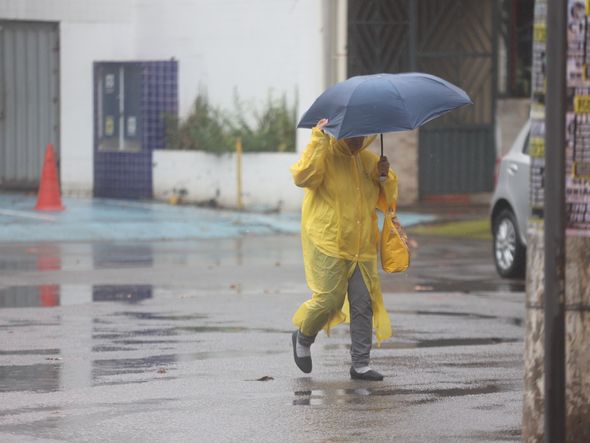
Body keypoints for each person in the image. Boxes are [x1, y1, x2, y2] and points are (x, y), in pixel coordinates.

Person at [290, 118, 397, 381]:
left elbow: (388, 195)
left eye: (362, 135)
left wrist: (383, 176)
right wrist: (317, 138)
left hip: (362, 247)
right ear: (339, 134)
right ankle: (303, 336)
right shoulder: (324, 155)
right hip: (329, 243)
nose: (357, 141)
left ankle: (360, 364)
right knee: (329, 300)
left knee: (363, 304)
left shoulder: (368, 160)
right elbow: (302, 177)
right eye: (351, 135)